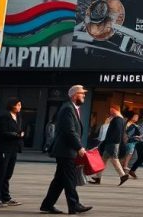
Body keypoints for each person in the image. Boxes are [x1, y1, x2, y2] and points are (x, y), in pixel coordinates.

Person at [40, 85, 91, 215]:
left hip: (66, 150)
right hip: (66, 151)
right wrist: (79, 147)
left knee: (60, 179)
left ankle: (47, 205)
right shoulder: (68, 108)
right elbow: (69, 131)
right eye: (82, 94)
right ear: (74, 95)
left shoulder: (71, 108)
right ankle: (74, 205)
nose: (84, 96)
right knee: (69, 179)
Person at [0, 98, 25, 208]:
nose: (20, 107)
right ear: (12, 105)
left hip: (13, 148)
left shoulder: (18, 117)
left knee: (8, 174)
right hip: (3, 148)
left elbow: (18, 130)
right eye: (18, 105)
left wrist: (20, 133)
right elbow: (3, 132)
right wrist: (17, 135)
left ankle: (6, 198)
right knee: (1, 173)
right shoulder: (4, 117)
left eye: (20, 105)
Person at [92, 105, 128, 186]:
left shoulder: (118, 119)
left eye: (112, 111)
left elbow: (117, 133)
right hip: (112, 143)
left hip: (112, 143)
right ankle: (98, 177)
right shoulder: (120, 119)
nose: (111, 112)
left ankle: (123, 175)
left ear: (116, 110)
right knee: (103, 160)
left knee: (114, 160)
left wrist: (111, 142)